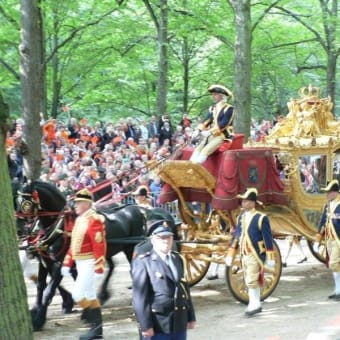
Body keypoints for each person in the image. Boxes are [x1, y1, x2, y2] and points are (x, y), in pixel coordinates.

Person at [132, 221, 196, 339]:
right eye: (161, 237)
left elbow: (184, 289)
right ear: (153, 240)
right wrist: (145, 325)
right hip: (158, 324)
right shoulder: (144, 262)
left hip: (179, 321)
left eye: (169, 237)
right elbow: (140, 298)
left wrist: (191, 316)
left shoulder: (177, 258)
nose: (166, 241)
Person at [61, 188, 107, 340]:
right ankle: (97, 330)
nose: (75, 205)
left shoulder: (94, 219)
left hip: (89, 263)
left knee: (78, 294)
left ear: (87, 204)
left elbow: (99, 245)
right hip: (80, 263)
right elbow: (74, 244)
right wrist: (68, 262)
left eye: (78, 202)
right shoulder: (80, 220)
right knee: (89, 294)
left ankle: (94, 324)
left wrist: (99, 267)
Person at [225, 188, 275, 316]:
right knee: (249, 279)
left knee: (252, 280)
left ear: (252, 202)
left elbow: (267, 238)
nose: (243, 203)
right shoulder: (241, 217)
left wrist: (270, 257)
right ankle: (254, 303)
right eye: (243, 201)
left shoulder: (261, 218)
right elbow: (237, 235)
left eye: (246, 201)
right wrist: (231, 252)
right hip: (244, 253)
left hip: (255, 253)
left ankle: (255, 304)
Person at [190, 84, 234, 164]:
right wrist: (198, 130)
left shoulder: (229, 108)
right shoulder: (213, 108)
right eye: (213, 94)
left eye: (215, 94)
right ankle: (190, 166)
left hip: (223, 136)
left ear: (222, 96)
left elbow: (223, 124)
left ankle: (195, 168)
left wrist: (209, 132)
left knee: (205, 151)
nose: (213, 96)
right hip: (211, 135)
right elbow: (207, 120)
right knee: (198, 149)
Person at [313, 179, 340, 301]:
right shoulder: (328, 205)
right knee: (333, 265)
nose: (327, 194)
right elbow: (322, 222)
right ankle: (337, 289)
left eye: (329, 192)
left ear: (335, 192)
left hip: (338, 240)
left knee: (334, 264)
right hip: (329, 239)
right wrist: (317, 240)